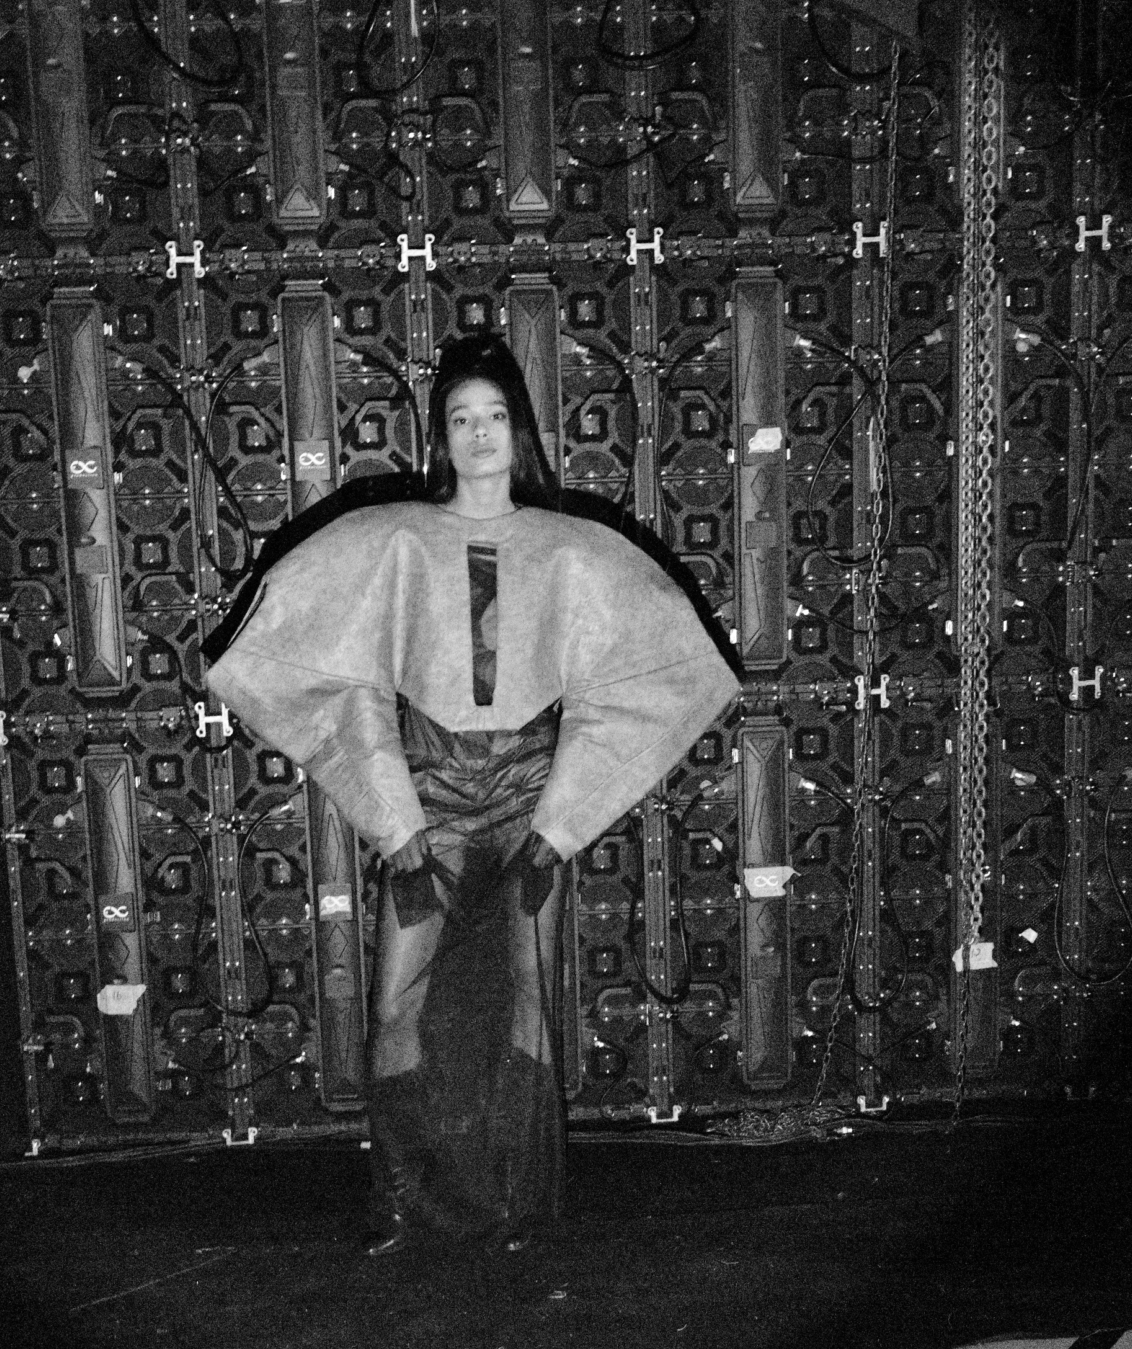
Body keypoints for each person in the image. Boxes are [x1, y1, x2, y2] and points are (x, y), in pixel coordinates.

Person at [205, 334, 739, 1253]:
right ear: (441, 436)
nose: (480, 433)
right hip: (430, 794)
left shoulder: (572, 550)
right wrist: (393, 822)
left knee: (531, 995)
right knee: (395, 1002)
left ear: (518, 430)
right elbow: (344, 680)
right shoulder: (395, 540)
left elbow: (657, 674)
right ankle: (402, 1200)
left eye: (495, 415)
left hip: (531, 793)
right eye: (461, 418)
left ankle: (522, 1205)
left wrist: (564, 822)